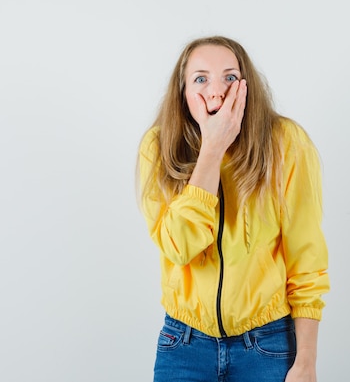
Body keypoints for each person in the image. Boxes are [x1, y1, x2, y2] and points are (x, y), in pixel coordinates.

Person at [137, 35, 330, 382]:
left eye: (229, 77)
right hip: (184, 345)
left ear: (245, 86)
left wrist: (306, 362)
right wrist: (213, 147)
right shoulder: (158, 147)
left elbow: (307, 259)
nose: (216, 91)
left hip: (267, 345)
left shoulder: (287, 143)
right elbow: (179, 246)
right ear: (182, 92)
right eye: (201, 78)